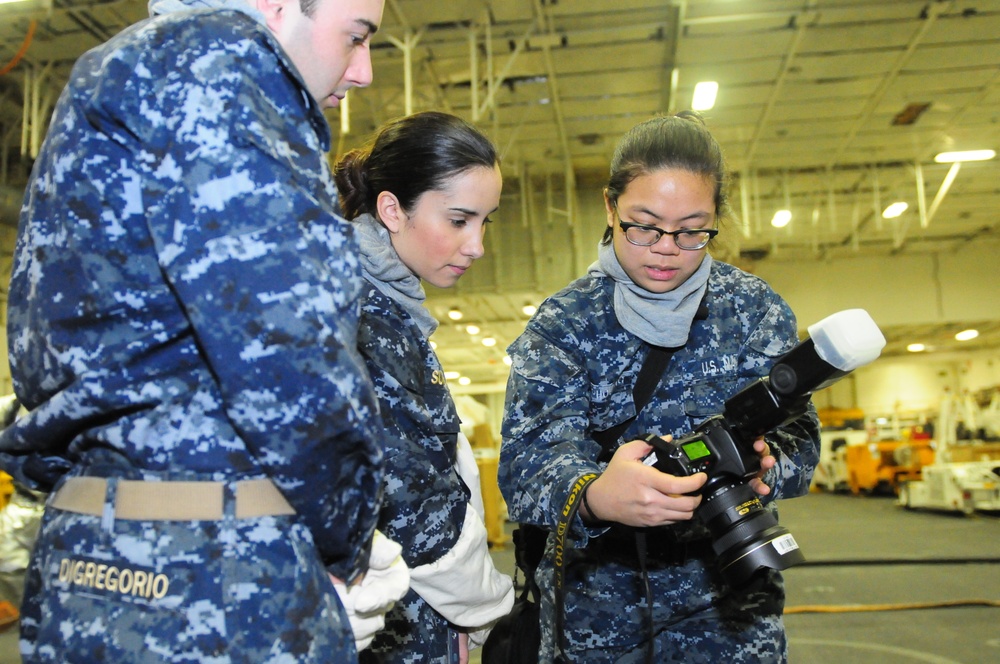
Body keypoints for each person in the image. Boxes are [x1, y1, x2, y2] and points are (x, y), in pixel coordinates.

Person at [0, 0, 410, 661]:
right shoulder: (225, 63)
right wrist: (346, 535)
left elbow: (42, 345)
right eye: (356, 37)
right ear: (276, 6)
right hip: (215, 564)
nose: (361, 70)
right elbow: (286, 350)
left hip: (89, 540)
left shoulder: (113, 69)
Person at [499, 112, 821, 662]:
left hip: (732, 614)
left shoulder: (752, 309)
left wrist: (766, 468)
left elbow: (802, 437)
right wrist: (597, 497)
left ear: (716, 218)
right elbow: (526, 464)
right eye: (643, 225)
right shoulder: (565, 322)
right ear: (610, 207)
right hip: (598, 616)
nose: (666, 247)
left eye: (693, 229)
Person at [333, 110, 515, 663]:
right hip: (395, 630)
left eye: (486, 221)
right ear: (392, 209)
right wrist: (493, 608)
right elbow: (414, 508)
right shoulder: (364, 317)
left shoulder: (388, 309)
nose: (477, 244)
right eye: (459, 220)